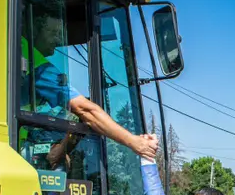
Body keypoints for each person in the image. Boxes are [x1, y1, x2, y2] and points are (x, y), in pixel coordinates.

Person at [20, 14, 157, 160]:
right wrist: (134, 142)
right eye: (53, 33)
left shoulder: (15, 48)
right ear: (34, 29)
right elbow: (85, 110)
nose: (58, 40)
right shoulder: (38, 66)